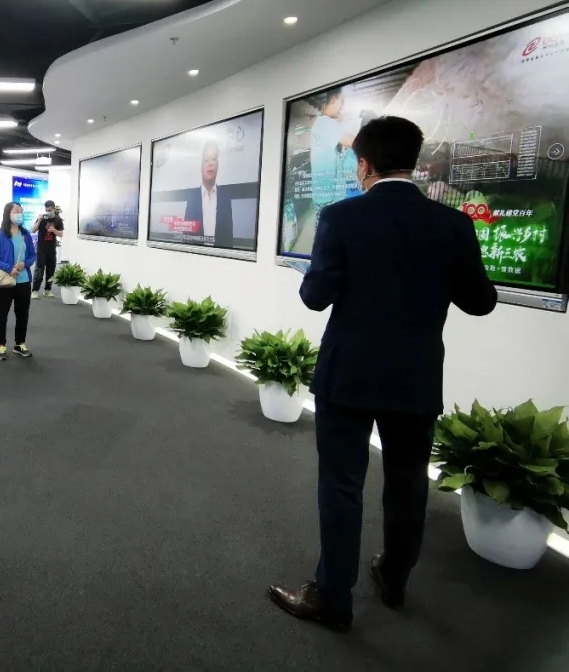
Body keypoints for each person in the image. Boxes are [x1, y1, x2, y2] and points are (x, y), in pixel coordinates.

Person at [268, 116, 499, 632]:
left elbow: (315, 297)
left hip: (347, 378)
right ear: (413, 162)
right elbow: (480, 302)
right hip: (415, 381)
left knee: (341, 486)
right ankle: (394, 579)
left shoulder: (340, 217)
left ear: (364, 165)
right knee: (408, 482)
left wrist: (315, 271)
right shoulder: (453, 224)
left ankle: (333, 598)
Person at [153, 139, 259, 248]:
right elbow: (187, 236)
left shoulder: (225, 197)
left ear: (218, 165)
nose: (210, 163)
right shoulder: (192, 197)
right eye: (206, 160)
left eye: (214, 159)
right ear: (201, 166)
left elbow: (228, 238)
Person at [0, 202, 35, 361]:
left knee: (22, 314)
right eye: (16, 211)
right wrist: (9, 268)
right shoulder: (0, 235)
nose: (19, 214)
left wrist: (25, 264)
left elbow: (32, 255)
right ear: (8, 214)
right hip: (6, 280)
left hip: (24, 280)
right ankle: (1, 345)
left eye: (21, 211)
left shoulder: (25, 234)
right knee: (2, 314)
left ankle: (19, 344)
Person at [30, 199, 65, 298]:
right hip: (41, 249)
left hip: (51, 249)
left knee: (51, 270)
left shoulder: (58, 220)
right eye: (46, 210)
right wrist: (39, 220)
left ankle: (47, 290)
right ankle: (35, 290)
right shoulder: (42, 218)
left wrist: (54, 230)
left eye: (49, 210)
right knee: (39, 270)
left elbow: (61, 234)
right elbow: (33, 230)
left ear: (54, 209)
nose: (48, 212)